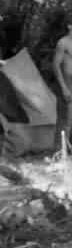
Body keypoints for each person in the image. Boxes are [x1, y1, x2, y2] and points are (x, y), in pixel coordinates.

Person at [53, 17, 72, 151]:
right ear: (70, 26)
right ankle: (59, 151)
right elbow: (55, 65)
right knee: (65, 120)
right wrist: (64, 87)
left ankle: (67, 150)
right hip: (66, 83)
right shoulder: (63, 42)